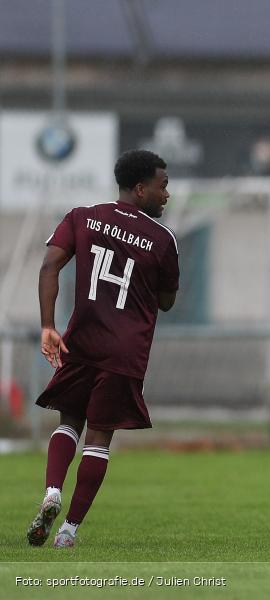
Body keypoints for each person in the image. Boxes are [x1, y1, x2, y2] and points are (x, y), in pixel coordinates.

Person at [26, 149, 179, 549]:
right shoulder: (163, 240)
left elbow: (49, 268)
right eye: (162, 186)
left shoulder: (81, 216)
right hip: (125, 353)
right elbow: (166, 302)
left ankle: (52, 493)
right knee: (99, 438)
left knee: (68, 421)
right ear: (140, 188)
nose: (167, 194)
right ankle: (68, 533)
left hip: (82, 339)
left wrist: (47, 325)